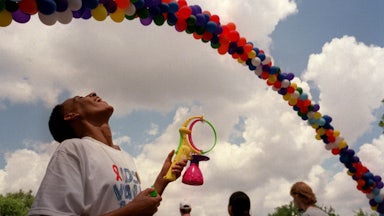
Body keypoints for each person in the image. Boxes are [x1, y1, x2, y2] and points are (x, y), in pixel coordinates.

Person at [28, 92, 187, 216]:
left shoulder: (126, 157)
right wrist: (130, 212)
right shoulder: (73, 148)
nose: (92, 93)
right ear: (71, 116)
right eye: (79, 98)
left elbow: (139, 208)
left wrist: (162, 180)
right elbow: (133, 210)